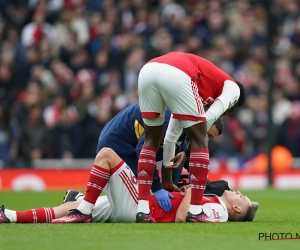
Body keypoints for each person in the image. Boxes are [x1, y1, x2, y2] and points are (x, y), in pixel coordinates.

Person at [0, 148, 259, 224]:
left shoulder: (220, 212)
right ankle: (9, 216)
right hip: (143, 206)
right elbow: (184, 208)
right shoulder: (215, 203)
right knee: (67, 208)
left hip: (141, 208)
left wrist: (191, 187)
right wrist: (181, 190)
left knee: (107, 154)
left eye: (243, 197)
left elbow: (184, 218)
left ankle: (84, 210)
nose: (239, 192)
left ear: (236, 209)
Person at [136, 51, 245, 222]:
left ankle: (142, 210)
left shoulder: (200, 91)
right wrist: (187, 152)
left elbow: (171, 137)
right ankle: (195, 211)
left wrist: (168, 180)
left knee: (151, 140)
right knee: (201, 140)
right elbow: (208, 121)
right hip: (178, 73)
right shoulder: (234, 90)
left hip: (148, 70)